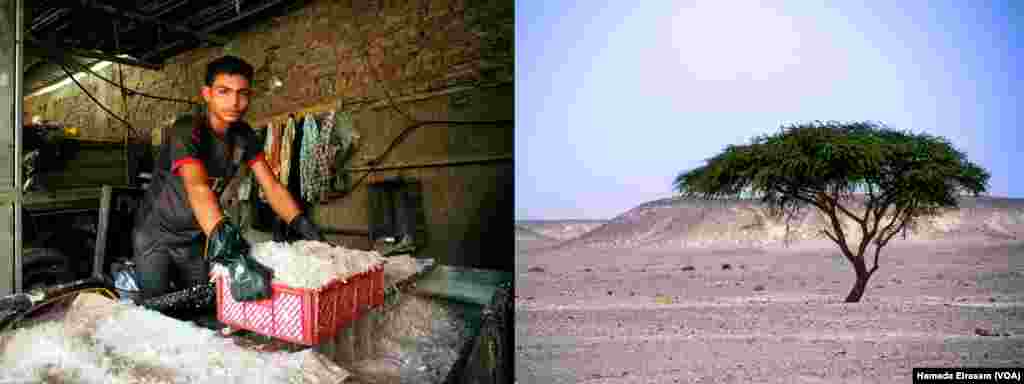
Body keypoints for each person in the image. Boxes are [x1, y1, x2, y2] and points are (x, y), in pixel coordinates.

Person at [131, 55, 324, 300]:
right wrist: (234, 256)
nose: (235, 102)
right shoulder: (187, 130)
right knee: (158, 309)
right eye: (224, 91)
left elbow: (272, 186)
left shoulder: (244, 137)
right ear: (207, 94)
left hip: (196, 237)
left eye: (242, 93)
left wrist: (301, 224)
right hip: (155, 237)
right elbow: (198, 188)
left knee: (203, 304)